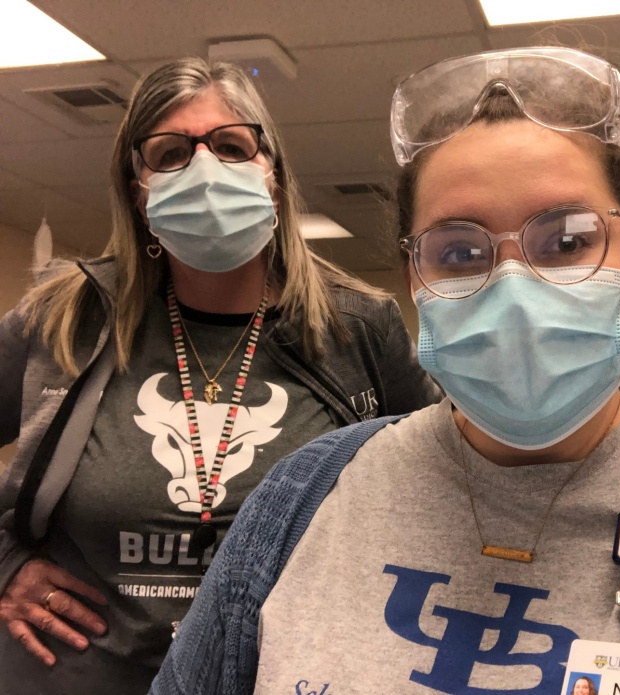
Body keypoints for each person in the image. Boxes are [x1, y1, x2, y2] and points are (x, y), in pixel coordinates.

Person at [151, 47, 620, 695]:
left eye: (566, 242)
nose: (514, 290)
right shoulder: (304, 496)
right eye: (460, 252)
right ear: (415, 283)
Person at [0, 57, 441, 694]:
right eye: (171, 154)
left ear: (273, 179)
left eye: (232, 147)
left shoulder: (358, 328)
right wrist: (6, 565)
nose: (205, 169)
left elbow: (443, 479)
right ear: (137, 191)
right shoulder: (64, 318)